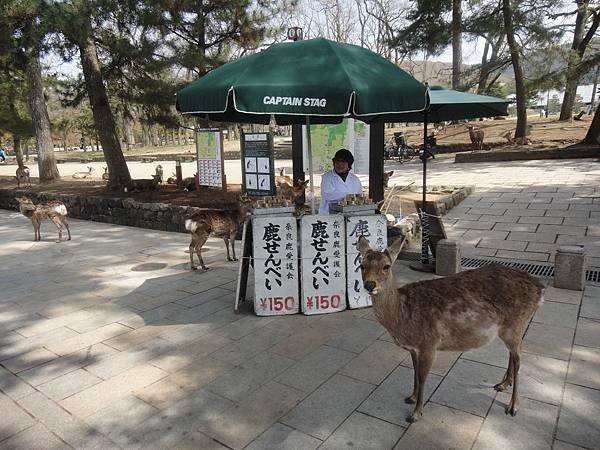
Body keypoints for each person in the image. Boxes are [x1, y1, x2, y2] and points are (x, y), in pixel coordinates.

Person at [319, 148, 363, 215]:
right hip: (329, 215)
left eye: (343, 162)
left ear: (349, 165)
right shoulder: (327, 177)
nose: (340, 164)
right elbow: (328, 195)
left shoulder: (355, 179)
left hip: (350, 215)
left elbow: (359, 197)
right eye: (337, 161)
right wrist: (350, 196)